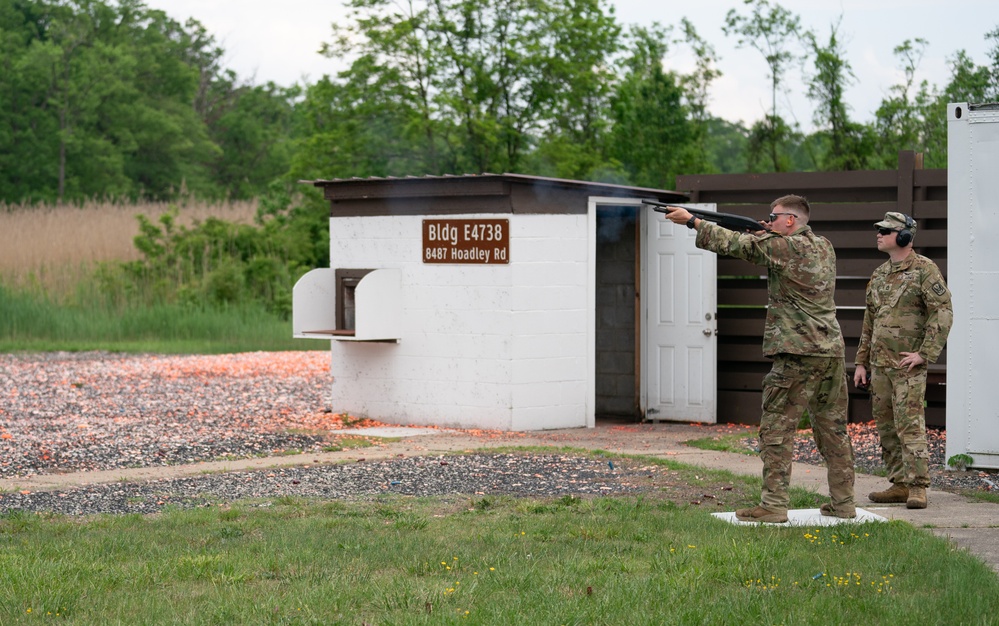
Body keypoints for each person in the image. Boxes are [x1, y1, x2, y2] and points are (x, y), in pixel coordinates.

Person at [665, 195, 856, 524]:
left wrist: (693, 222)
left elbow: (738, 246)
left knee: (776, 431)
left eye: (773, 216)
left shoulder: (784, 247)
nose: (768, 220)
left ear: (790, 221)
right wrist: (764, 233)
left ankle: (774, 505)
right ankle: (844, 503)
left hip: (798, 352)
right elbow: (766, 247)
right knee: (833, 431)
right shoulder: (824, 246)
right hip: (831, 351)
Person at [854, 212, 953, 510]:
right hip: (880, 365)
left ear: (905, 237)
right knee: (886, 426)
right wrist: (861, 362)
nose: (879, 234)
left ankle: (918, 487)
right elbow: (869, 320)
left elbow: (943, 311)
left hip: (907, 366)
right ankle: (898, 483)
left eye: (886, 230)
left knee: (909, 426)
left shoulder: (925, 270)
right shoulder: (880, 274)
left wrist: (925, 353)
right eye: (878, 229)